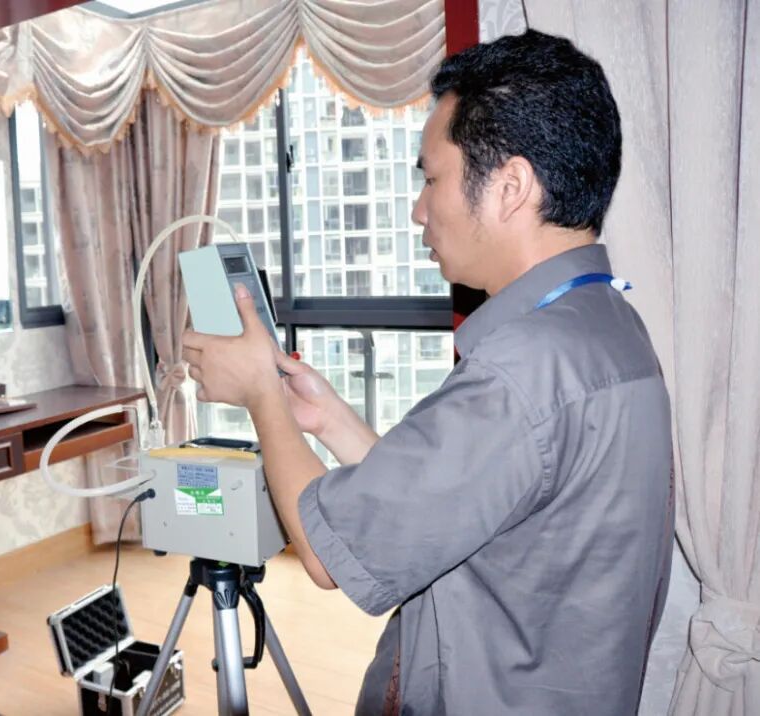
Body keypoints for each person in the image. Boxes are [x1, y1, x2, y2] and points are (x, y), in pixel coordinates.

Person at [182, 29, 674, 715]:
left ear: (510, 187)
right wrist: (333, 422)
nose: (419, 209)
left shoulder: (521, 371)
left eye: (432, 179)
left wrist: (260, 393)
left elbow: (325, 556)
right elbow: (467, 502)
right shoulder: (605, 325)